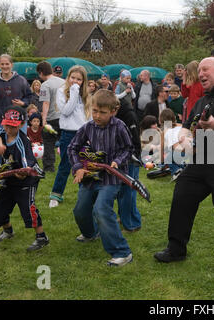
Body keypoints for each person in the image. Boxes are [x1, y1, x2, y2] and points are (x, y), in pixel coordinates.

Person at [154, 57, 214, 267]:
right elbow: (187, 125)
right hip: (201, 160)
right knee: (182, 197)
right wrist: (184, 136)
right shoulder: (201, 101)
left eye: (205, 69)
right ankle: (176, 249)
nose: (201, 74)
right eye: (199, 70)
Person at [68, 89, 134, 267]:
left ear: (113, 111)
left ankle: (122, 252)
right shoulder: (88, 127)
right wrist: (78, 167)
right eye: (94, 111)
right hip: (90, 176)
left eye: (102, 112)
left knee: (101, 210)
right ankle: (91, 233)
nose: (97, 116)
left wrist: (117, 161)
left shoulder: (120, 127)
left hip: (111, 178)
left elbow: (128, 149)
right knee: (80, 210)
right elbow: (72, 148)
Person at [0, 106, 49, 251]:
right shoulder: (3, 131)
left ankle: (41, 237)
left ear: (21, 125)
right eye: (6, 125)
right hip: (9, 177)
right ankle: (8, 231)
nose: (8, 129)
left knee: (28, 208)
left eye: (12, 126)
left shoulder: (22, 144)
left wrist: (18, 173)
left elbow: (26, 170)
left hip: (26, 178)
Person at [49, 66, 92, 208]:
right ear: (68, 78)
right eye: (73, 78)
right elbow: (66, 111)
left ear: (83, 81)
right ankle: (56, 194)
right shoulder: (62, 91)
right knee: (65, 164)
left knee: (85, 164)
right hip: (68, 133)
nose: (75, 81)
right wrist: (73, 91)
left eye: (79, 79)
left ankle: (84, 195)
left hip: (84, 133)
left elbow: (89, 115)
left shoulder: (86, 94)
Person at [115, 90, 143, 233]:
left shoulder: (129, 116)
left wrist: (134, 156)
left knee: (129, 190)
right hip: (122, 157)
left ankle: (133, 223)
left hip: (131, 158)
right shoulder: (119, 115)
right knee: (122, 190)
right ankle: (124, 216)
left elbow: (135, 140)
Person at [0, 54, 33, 129]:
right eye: (2, 64)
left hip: (19, 120)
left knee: (20, 141)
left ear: (12, 65)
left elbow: (29, 96)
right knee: (1, 141)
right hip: (1, 120)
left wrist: (23, 103)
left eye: (7, 64)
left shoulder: (21, 80)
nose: (5, 66)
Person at [36, 61, 65, 172]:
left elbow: (46, 103)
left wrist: (43, 119)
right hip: (64, 117)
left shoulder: (45, 85)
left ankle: (49, 168)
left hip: (52, 118)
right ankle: (68, 165)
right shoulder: (64, 82)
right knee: (66, 143)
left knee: (48, 142)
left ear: (41, 72)